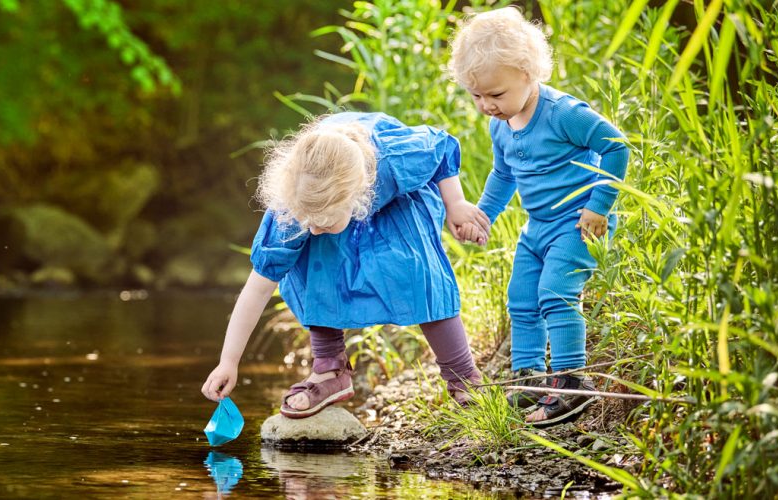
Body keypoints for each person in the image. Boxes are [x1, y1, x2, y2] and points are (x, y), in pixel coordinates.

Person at [200, 112, 488, 418]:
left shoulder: (393, 159)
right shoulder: (295, 206)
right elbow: (257, 288)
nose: (311, 229)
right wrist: (228, 361)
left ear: (357, 198)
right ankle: (329, 369)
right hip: (329, 184)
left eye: (321, 222)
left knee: (417, 269)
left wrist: (455, 204)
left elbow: (441, 147)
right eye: (307, 221)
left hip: (395, 199)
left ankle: (463, 376)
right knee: (314, 259)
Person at [448, 7, 630, 426]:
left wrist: (599, 206)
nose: (486, 106)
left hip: (578, 223)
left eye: (495, 94)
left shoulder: (563, 113)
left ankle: (571, 383)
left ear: (529, 73)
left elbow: (617, 146)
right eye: (476, 96)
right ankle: (528, 380)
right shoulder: (502, 124)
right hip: (537, 229)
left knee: (555, 293)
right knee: (522, 299)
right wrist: (484, 214)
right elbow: (504, 172)